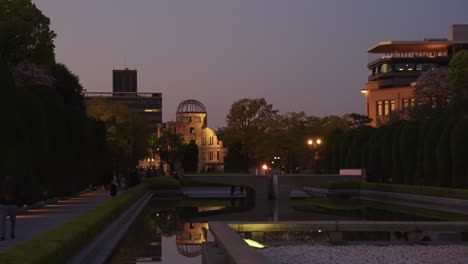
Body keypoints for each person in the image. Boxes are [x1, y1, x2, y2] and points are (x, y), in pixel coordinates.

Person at [1, 175, 18, 240]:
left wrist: (13, 199)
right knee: (3, 221)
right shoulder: (2, 185)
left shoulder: (14, 185)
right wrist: (4, 198)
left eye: (9, 176)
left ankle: (12, 233)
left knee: (13, 220)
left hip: (12, 204)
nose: (8, 177)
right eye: (7, 176)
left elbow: (17, 193)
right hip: (3, 204)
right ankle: (2, 235)